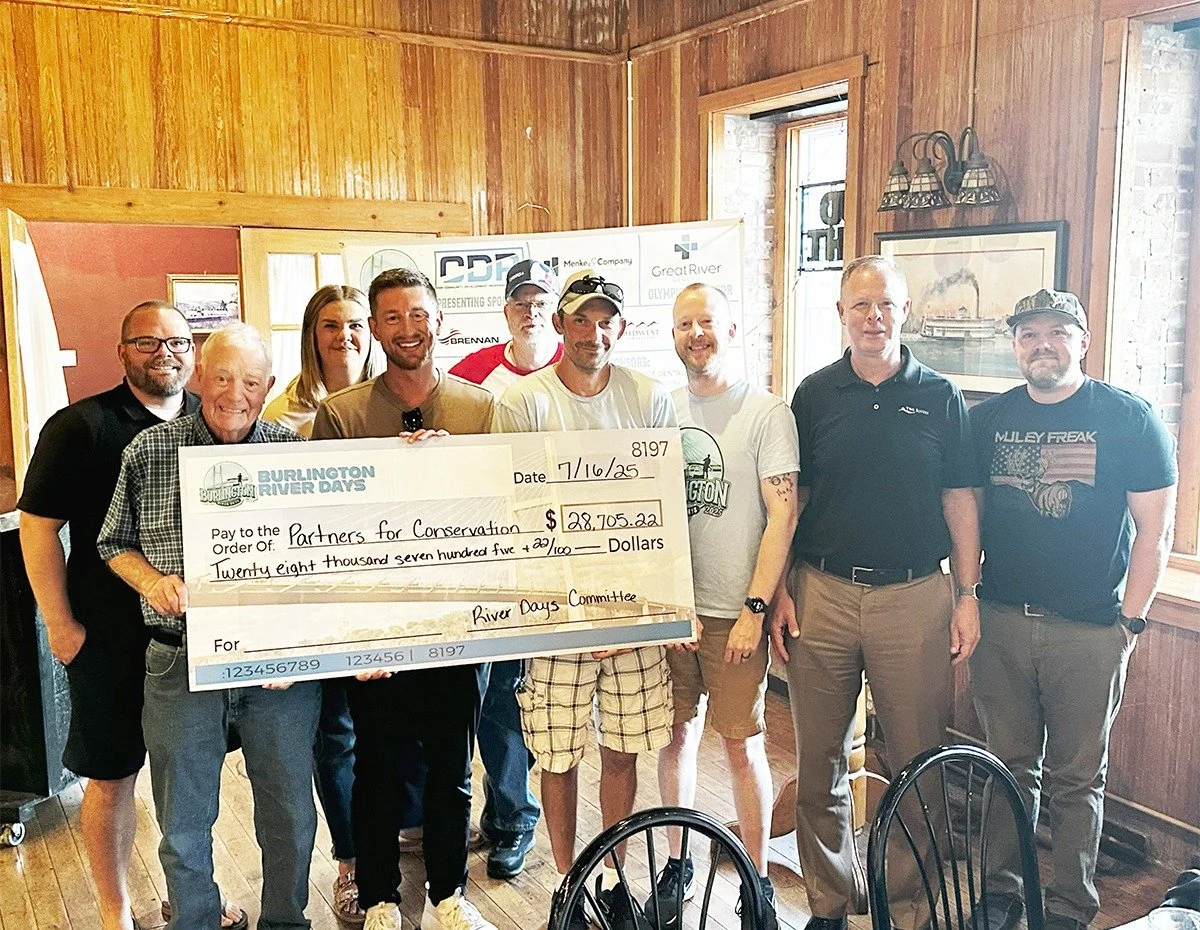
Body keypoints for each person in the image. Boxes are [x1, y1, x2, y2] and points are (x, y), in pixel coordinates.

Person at [18, 302, 246, 930]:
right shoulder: (80, 426)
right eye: (147, 342)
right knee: (113, 775)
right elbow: (37, 530)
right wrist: (61, 629)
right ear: (122, 352)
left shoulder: (214, 419)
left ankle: (191, 894)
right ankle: (114, 908)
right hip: (110, 639)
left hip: (189, 641)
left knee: (188, 780)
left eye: (177, 342)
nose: (164, 353)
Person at [769, 255, 981, 930]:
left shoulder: (942, 396)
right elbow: (791, 503)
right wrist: (778, 591)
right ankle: (828, 905)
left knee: (917, 759)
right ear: (839, 314)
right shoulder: (813, 395)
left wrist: (969, 594)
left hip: (915, 597)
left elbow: (960, 501)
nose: (872, 317)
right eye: (859, 305)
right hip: (823, 592)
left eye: (885, 304)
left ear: (905, 311)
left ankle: (907, 906)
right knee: (819, 764)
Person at [98, 323, 321, 930]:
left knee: (291, 815)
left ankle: (285, 922)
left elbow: (326, 562)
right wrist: (153, 583)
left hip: (277, 668)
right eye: (221, 377)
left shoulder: (294, 456)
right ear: (199, 377)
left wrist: (298, 647)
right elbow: (113, 542)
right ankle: (194, 921)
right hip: (178, 658)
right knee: (183, 819)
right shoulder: (147, 451)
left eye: (250, 381)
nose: (234, 393)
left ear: (269, 386)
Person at [968, 288, 1177, 930]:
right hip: (1000, 620)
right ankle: (1000, 893)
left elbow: (1155, 531)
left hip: (1091, 627)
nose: (1042, 344)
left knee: (1078, 778)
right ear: (1014, 345)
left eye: (1056, 331)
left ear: (1082, 340)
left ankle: (1068, 904)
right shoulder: (987, 421)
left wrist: (1132, 622)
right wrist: (966, 595)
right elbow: (965, 513)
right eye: (1028, 333)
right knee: (1006, 769)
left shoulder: (1129, 419)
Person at [311, 267, 496, 930]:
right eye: (392, 317)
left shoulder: (480, 409)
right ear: (377, 329)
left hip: (454, 620)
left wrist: (457, 470)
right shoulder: (342, 415)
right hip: (378, 628)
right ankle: (383, 897)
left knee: (451, 767)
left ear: (439, 320)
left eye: (419, 314)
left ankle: (449, 893)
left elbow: (502, 511)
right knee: (376, 767)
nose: (408, 328)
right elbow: (324, 523)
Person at [493, 268, 676, 930]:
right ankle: (570, 883)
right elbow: (514, 511)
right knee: (558, 754)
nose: (594, 332)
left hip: (629, 614)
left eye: (607, 321)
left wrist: (647, 612)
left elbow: (662, 510)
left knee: (624, 750)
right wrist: (563, 610)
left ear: (621, 328)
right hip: (556, 615)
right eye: (581, 320)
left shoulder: (650, 396)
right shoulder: (523, 401)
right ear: (562, 325)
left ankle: (612, 874)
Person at [648, 283, 798, 930]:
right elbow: (645, 514)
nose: (696, 333)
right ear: (674, 335)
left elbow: (783, 512)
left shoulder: (768, 414)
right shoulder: (661, 410)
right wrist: (664, 605)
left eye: (707, 321)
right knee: (674, 739)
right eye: (685, 324)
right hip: (675, 613)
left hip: (736, 614)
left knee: (742, 748)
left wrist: (754, 609)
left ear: (731, 330)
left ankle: (757, 879)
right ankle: (678, 864)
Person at [261, 284, 382, 924]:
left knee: (391, 729)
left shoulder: (397, 401)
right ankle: (351, 862)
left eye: (356, 324)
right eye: (331, 325)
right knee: (334, 735)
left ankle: (397, 840)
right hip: (318, 595)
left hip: (386, 591)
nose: (345, 337)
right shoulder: (282, 412)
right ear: (313, 333)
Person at [444, 258, 560, 880]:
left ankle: (514, 818)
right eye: (522, 300)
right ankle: (467, 815)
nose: (532, 309)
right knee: (472, 695)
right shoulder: (473, 372)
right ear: (506, 309)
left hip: (546, 562)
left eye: (542, 300)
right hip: (481, 557)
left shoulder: (583, 366)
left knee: (513, 701)